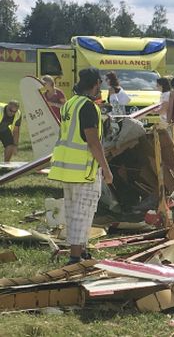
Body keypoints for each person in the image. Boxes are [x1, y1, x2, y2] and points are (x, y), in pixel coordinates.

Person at [48, 68, 114, 265]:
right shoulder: (88, 106)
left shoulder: (70, 103)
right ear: (95, 84)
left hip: (67, 168)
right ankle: (75, 257)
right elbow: (93, 142)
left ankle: (82, 252)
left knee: (74, 211)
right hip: (84, 171)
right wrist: (107, 169)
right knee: (82, 213)